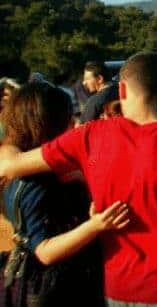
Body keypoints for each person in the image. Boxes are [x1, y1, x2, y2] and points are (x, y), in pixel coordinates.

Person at [0, 52, 157, 307]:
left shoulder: (90, 136)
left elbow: (9, 165)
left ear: (121, 90)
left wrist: (12, 135)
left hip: (117, 288)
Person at [0, 82, 130, 305]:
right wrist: (95, 225)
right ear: (50, 122)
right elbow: (45, 251)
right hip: (58, 288)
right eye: (68, 116)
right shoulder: (36, 181)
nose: (73, 122)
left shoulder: (26, 169)